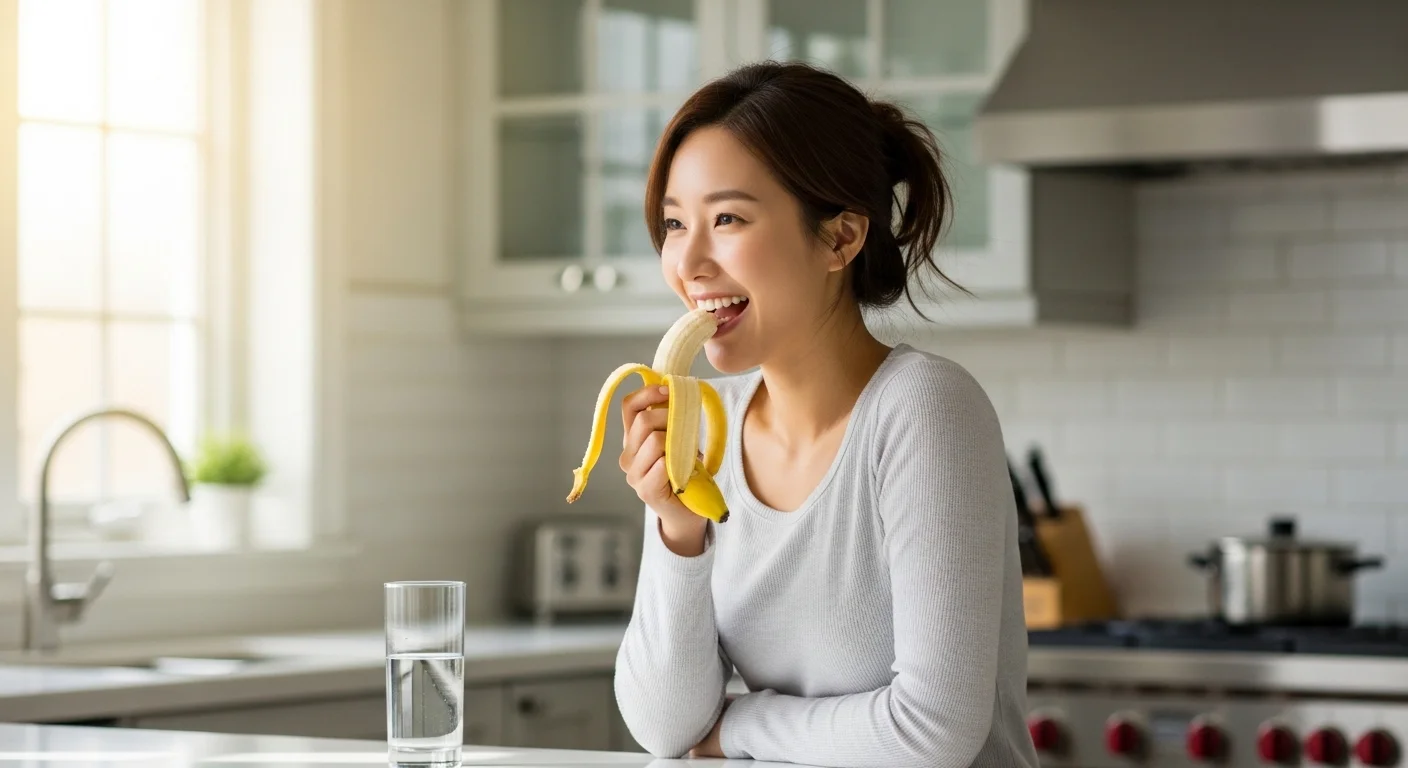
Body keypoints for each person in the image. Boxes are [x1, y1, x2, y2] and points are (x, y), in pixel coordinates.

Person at [612, 60, 1038, 768]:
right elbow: (664, 727)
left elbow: (932, 733)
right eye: (674, 223)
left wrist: (739, 727)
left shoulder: (924, 409)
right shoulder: (708, 426)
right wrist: (676, 529)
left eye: (727, 219)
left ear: (841, 238)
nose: (688, 262)